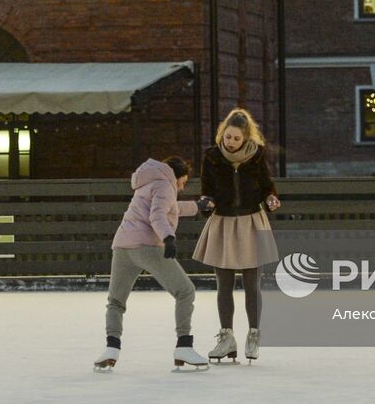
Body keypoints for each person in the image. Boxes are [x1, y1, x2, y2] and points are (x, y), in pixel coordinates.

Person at [95, 155, 213, 371]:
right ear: (176, 177)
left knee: (116, 301)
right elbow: (157, 214)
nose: (182, 187)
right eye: (183, 182)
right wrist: (168, 238)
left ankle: (111, 348)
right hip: (146, 245)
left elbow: (170, 207)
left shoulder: (148, 182)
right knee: (185, 291)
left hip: (122, 245)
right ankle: (184, 346)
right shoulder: (166, 186)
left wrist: (197, 206)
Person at [193, 108, 280, 364]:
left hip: (252, 221)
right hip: (223, 223)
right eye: (227, 137)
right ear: (223, 134)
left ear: (245, 138)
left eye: (236, 138)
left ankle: (253, 334)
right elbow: (206, 189)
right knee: (224, 285)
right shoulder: (212, 157)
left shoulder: (256, 156)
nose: (230, 142)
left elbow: (266, 185)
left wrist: (271, 198)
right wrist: (206, 203)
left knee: (252, 284)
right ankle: (227, 337)